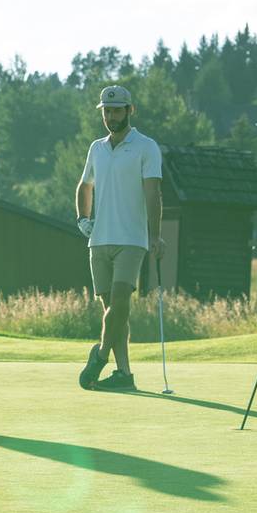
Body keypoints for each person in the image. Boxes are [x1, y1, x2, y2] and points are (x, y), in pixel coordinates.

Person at [75, 84, 164, 392]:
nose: (111, 116)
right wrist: (83, 220)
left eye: (116, 110)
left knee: (121, 303)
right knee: (110, 309)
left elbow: (153, 194)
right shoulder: (96, 148)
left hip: (132, 239)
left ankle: (100, 355)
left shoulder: (146, 146)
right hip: (98, 240)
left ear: (130, 110)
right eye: (107, 111)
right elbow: (85, 186)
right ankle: (124, 373)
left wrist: (156, 235)